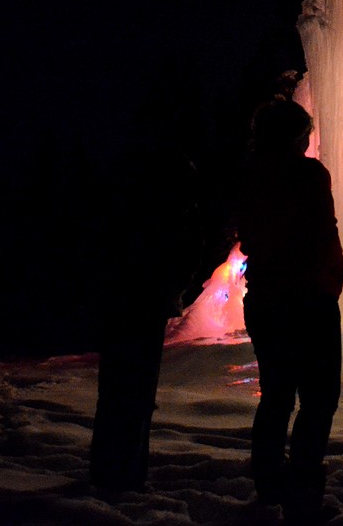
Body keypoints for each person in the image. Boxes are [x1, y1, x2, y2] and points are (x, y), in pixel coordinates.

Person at [235, 99, 343, 523]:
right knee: (319, 397)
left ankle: (269, 483)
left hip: (265, 302)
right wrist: (334, 277)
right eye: (304, 132)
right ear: (292, 136)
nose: (308, 139)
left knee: (277, 395)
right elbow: (321, 232)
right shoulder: (308, 175)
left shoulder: (250, 177)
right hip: (308, 302)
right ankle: (302, 488)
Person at [89, 129, 202, 494]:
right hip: (145, 300)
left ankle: (112, 469)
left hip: (122, 298)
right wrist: (175, 285)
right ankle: (126, 473)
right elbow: (188, 249)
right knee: (135, 390)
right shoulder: (170, 204)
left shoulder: (124, 197)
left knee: (117, 390)